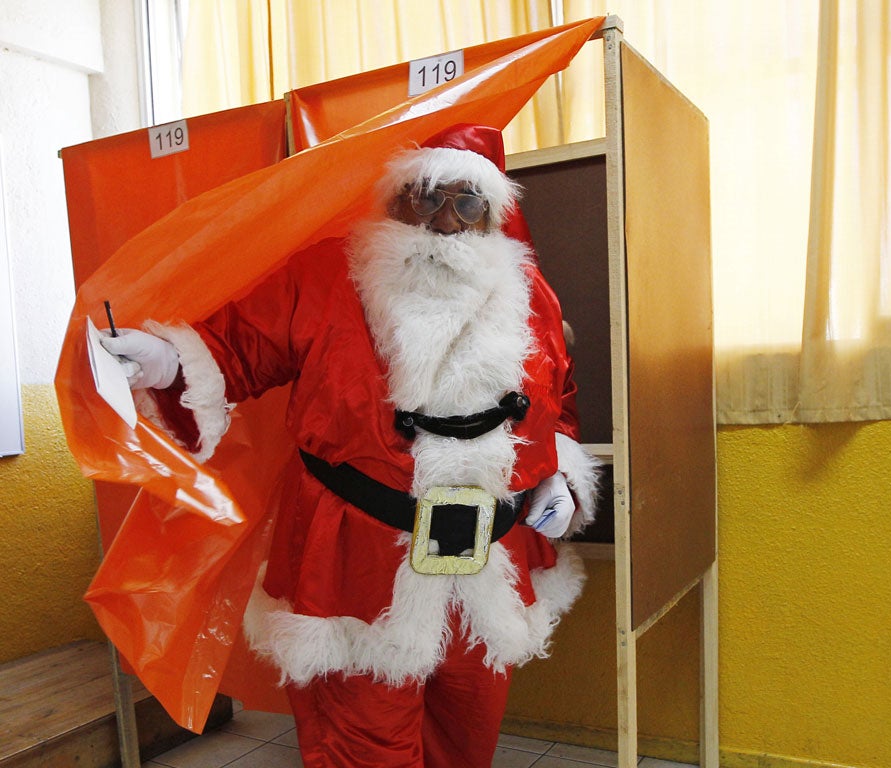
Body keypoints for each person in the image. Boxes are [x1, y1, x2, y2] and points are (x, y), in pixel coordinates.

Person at [100, 123, 601, 768]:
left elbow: (559, 396)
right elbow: (237, 348)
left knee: (467, 734)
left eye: (467, 203)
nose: (446, 220)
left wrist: (558, 473)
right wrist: (167, 362)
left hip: (490, 564)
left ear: (490, 216)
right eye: (426, 195)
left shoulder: (530, 294)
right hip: (357, 563)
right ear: (394, 198)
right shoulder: (324, 274)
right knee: (363, 742)